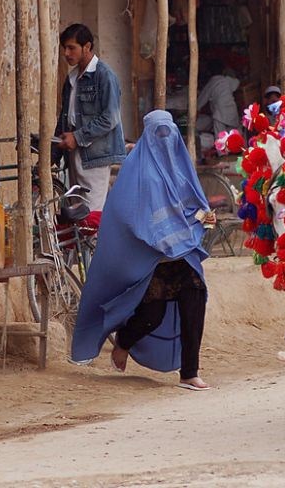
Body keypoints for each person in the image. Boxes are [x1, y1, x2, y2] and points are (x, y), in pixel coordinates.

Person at [71, 110, 215, 391]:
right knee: (153, 315)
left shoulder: (179, 166)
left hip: (183, 254)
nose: (165, 139)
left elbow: (194, 203)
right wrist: (162, 235)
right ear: (148, 136)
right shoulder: (137, 172)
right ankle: (123, 342)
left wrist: (204, 216)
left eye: (169, 133)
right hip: (153, 258)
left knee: (194, 302)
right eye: (159, 133)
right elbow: (128, 213)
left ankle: (189, 372)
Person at [55, 24, 125, 212]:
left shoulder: (104, 75)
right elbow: (65, 118)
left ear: (87, 47)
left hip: (95, 154)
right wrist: (54, 153)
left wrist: (77, 137)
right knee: (77, 211)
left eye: (72, 48)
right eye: (65, 48)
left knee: (91, 212)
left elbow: (110, 118)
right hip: (74, 153)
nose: (67, 53)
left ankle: (96, 243)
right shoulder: (71, 79)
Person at [197, 60, 241, 136]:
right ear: (223, 71)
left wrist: (196, 109)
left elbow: (201, 100)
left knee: (220, 140)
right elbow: (237, 83)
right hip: (232, 112)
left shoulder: (211, 83)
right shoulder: (227, 80)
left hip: (220, 115)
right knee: (233, 138)